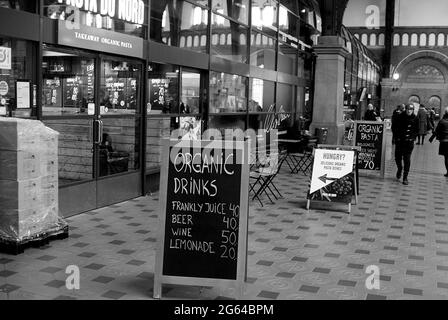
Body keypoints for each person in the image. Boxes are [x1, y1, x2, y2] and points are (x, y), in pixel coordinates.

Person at [394, 104, 419, 185]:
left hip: (409, 143)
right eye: (408, 109)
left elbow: (417, 129)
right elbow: (394, 127)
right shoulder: (400, 117)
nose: (409, 111)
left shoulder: (415, 118)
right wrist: (397, 137)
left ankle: (405, 177)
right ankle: (399, 168)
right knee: (397, 158)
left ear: (413, 110)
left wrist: (413, 137)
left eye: (411, 109)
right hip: (400, 141)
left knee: (407, 159)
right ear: (405, 109)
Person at [429, 107, 448, 177]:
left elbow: (437, 131)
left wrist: (431, 138)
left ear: (445, 113)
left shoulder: (442, 121)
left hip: (444, 141)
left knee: (446, 157)